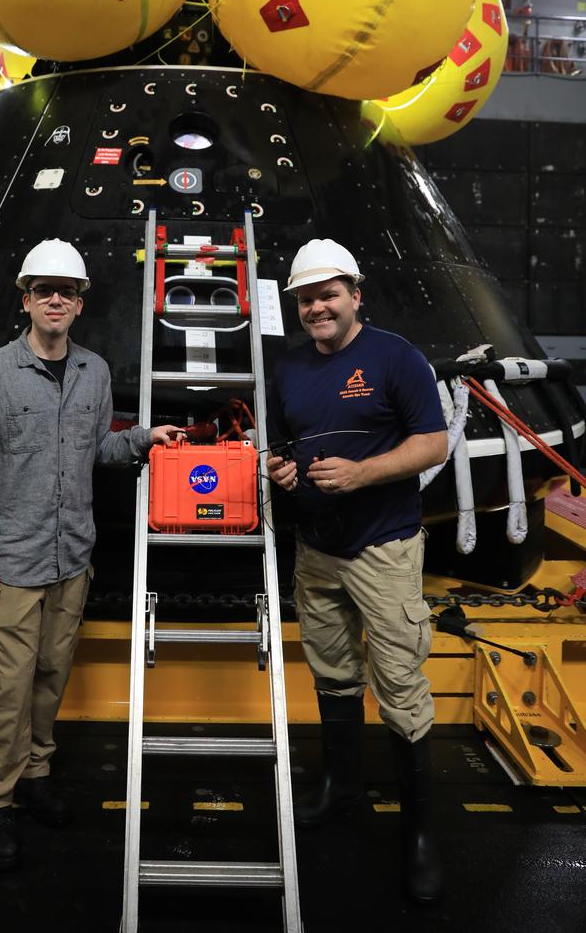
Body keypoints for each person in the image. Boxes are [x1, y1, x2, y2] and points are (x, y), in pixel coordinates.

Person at [0, 238, 183, 870]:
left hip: (71, 560)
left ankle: (34, 774)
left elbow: (94, 452)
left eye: (69, 291)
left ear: (80, 305)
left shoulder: (94, 372)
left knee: (50, 680)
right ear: (25, 300)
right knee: (5, 688)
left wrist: (141, 439)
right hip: (9, 565)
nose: (57, 299)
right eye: (44, 290)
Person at [266, 238, 448, 906]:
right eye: (305, 298)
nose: (316, 306)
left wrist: (362, 472)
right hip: (317, 550)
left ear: (354, 295)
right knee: (333, 674)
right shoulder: (287, 368)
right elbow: (281, 444)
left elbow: (433, 441)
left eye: (327, 294)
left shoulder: (394, 357)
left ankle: (420, 831)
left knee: (398, 684)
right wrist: (278, 468)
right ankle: (341, 789)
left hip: (383, 549)